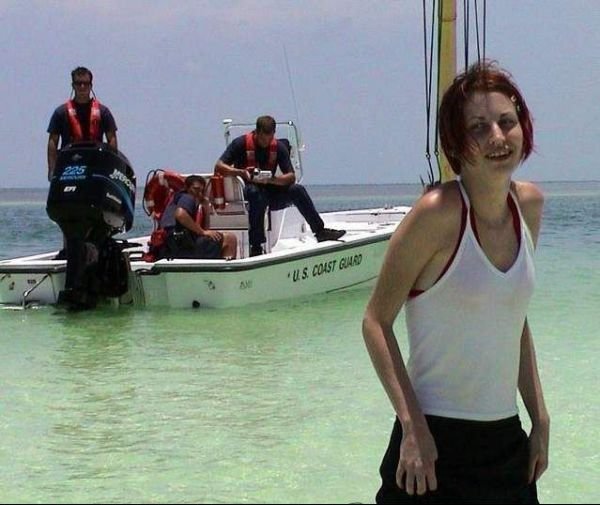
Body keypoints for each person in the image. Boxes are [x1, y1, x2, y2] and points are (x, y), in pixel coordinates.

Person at [362, 61, 549, 504]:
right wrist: (412, 428)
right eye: (479, 127)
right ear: (456, 143)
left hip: (505, 442)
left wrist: (539, 419)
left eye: (507, 121)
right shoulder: (437, 213)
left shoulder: (529, 206)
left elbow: (512, 319)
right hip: (432, 443)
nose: (498, 137)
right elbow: (375, 322)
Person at [214, 115, 345, 256]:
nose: (266, 142)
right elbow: (219, 166)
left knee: (297, 190)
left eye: (269, 138)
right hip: (249, 193)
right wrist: (241, 172)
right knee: (255, 195)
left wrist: (271, 180)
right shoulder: (240, 144)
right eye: (263, 139)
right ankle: (256, 246)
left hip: (270, 190)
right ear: (257, 132)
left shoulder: (279, 148)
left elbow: (291, 176)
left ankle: (320, 231)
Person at [47, 66, 118, 181]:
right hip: (69, 166)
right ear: (73, 85)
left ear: (91, 86)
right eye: (78, 83)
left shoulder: (103, 112)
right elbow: (53, 141)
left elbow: (112, 139)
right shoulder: (60, 113)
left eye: (85, 83)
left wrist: (111, 166)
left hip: (95, 164)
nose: (82, 87)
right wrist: (52, 169)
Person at [158, 175, 237, 260]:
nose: (199, 193)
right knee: (230, 239)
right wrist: (202, 232)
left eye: (202, 191)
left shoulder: (176, 200)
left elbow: (206, 229)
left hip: (169, 248)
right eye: (196, 189)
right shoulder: (187, 197)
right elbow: (180, 214)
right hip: (179, 245)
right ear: (186, 188)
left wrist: (206, 209)